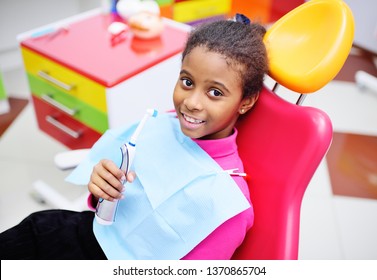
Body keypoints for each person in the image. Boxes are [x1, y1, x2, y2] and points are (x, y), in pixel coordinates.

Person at [0, 14, 268, 260]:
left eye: (215, 93)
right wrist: (102, 188)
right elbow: (107, 207)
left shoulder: (228, 208)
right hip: (73, 232)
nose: (192, 103)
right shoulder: (160, 125)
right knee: (35, 229)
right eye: (187, 82)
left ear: (245, 101)